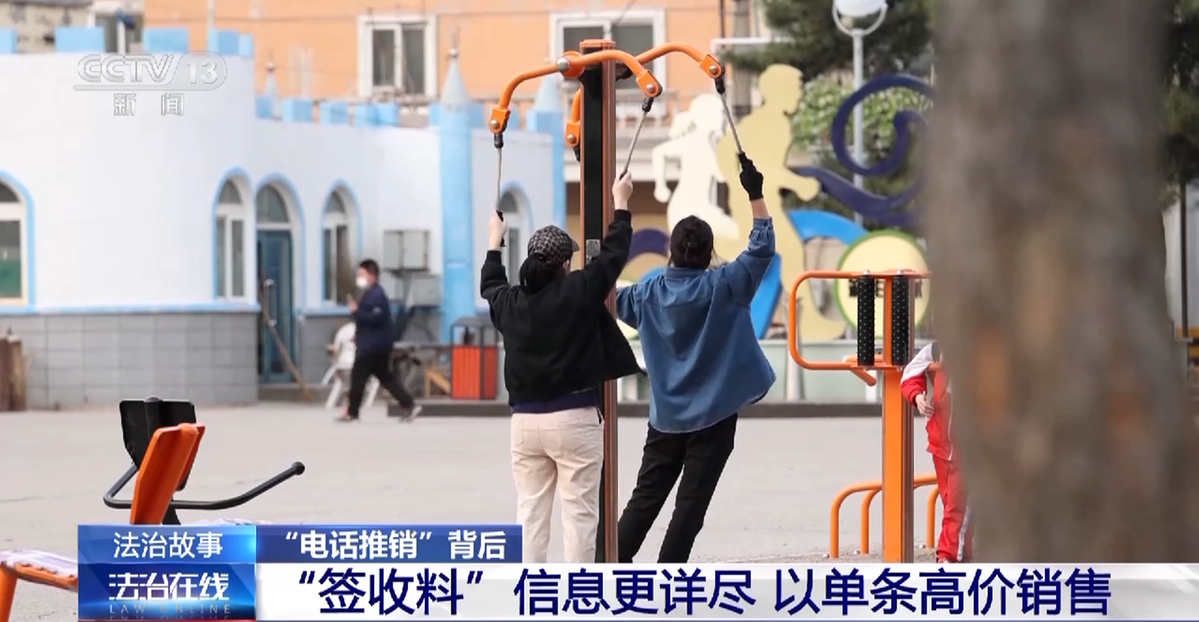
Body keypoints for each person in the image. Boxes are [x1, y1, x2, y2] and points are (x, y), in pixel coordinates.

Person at [613, 154, 776, 563]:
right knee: (689, 510)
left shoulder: (646, 294)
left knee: (644, 500)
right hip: (715, 418)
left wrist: (620, 205)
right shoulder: (726, 285)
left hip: (665, 419)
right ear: (708, 253)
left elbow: (604, 292)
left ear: (670, 251)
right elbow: (762, 247)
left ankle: (606, 571)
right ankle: (668, 582)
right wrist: (755, 192)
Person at [480, 172, 641, 564]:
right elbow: (613, 257)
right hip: (574, 419)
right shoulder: (579, 291)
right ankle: (577, 593)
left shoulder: (510, 304)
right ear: (565, 263)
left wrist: (494, 242)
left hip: (524, 425)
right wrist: (621, 204)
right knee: (579, 515)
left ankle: (530, 589)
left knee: (530, 513)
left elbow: (490, 284)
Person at [900, 340, 973, 563]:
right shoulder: (934, 350)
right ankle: (963, 554)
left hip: (970, 450)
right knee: (951, 501)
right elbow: (909, 375)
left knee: (958, 505)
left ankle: (947, 557)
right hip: (940, 446)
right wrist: (917, 396)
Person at [338, 259, 421, 422]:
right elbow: (369, 320)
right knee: (385, 377)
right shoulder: (370, 294)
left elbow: (376, 318)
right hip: (375, 343)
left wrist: (356, 311)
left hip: (372, 346)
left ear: (372, 275)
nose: (359, 277)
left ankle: (352, 412)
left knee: (358, 377)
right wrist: (358, 333)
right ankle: (409, 404)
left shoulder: (377, 295)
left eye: (362, 274)